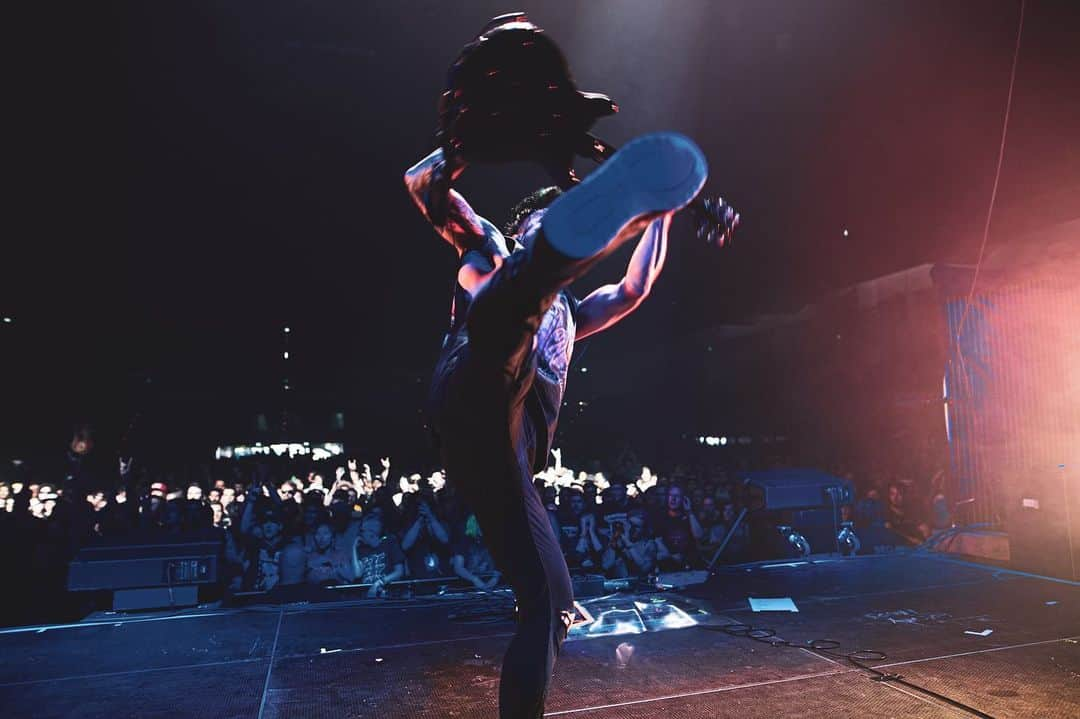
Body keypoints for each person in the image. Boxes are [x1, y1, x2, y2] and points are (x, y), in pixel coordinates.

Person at [408, 125, 707, 716]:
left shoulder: (573, 312)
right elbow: (422, 184)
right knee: (504, 304)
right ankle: (526, 284)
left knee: (551, 604)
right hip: (475, 388)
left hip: (505, 454)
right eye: (555, 219)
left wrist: (665, 211)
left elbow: (634, 287)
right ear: (527, 228)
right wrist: (474, 138)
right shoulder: (492, 249)